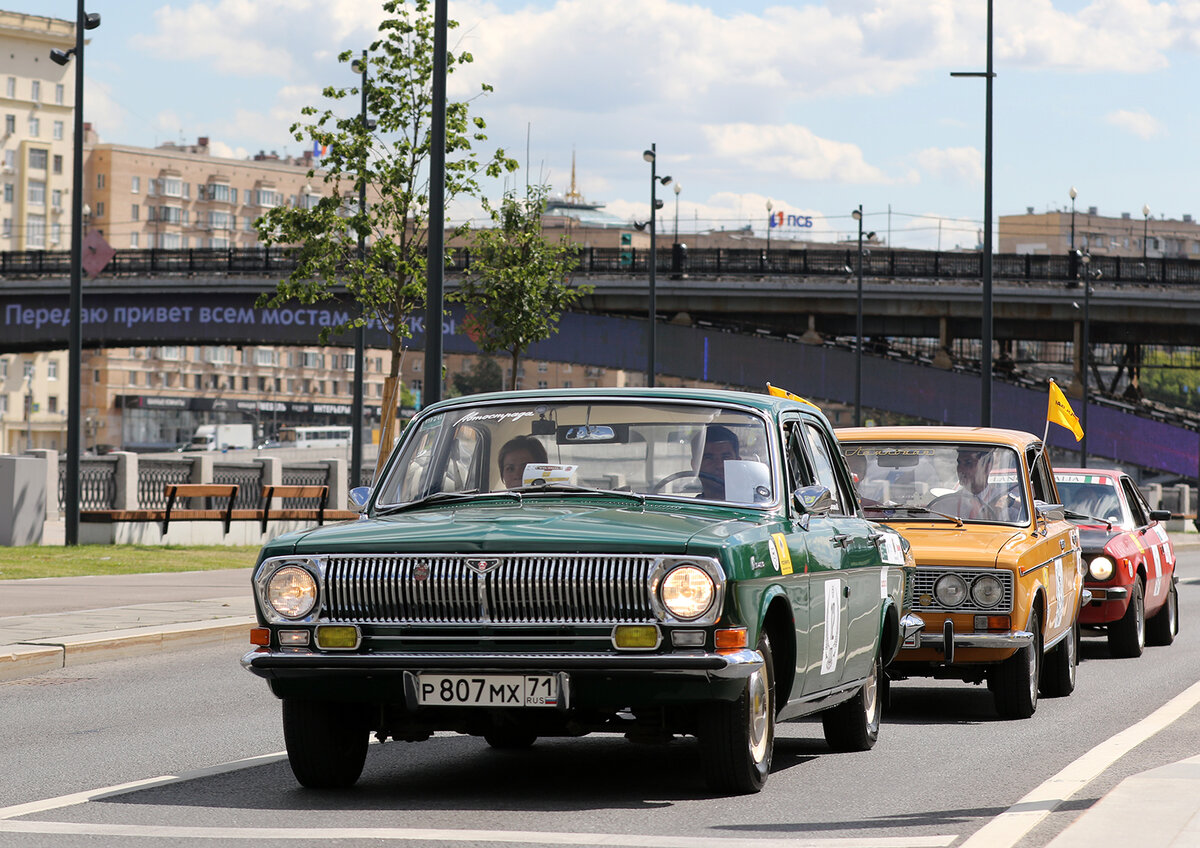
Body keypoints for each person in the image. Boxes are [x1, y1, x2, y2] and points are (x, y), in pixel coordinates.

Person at [930, 446, 1003, 520]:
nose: (961, 470)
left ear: (987, 467)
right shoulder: (944, 506)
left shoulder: (1002, 502)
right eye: (959, 463)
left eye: (968, 463)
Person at [695, 424, 740, 500]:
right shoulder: (684, 509)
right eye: (708, 458)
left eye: (726, 457)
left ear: (738, 463)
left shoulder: (756, 507)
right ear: (695, 465)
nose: (719, 465)